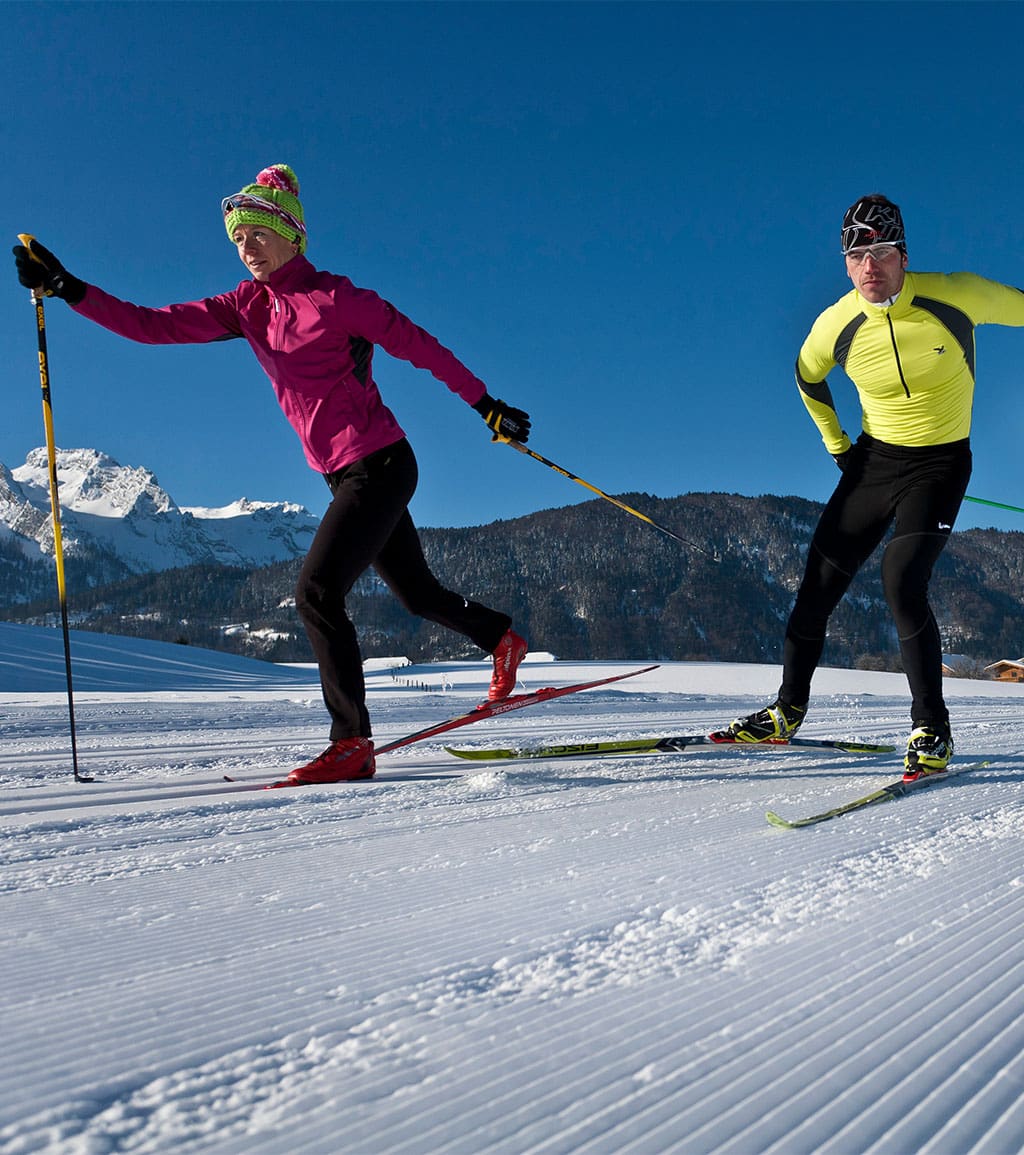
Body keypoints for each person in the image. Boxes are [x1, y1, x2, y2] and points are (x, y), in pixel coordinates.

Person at [14, 163, 531, 786]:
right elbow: (152, 326)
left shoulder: (339, 299)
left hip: (383, 464)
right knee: (417, 594)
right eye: (236, 238)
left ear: (290, 233)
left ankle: (351, 744)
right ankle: (501, 637)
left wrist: (485, 405)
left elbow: (420, 346)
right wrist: (70, 288)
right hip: (342, 477)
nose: (245, 247)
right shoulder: (244, 306)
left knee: (316, 592)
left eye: (256, 233)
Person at [714, 193, 1024, 781]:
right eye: (856, 255)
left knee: (902, 581)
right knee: (817, 586)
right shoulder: (835, 323)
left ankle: (932, 729)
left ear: (903, 256)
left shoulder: (955, 294)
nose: (869, 266)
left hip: (941, 462)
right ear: (846, 264)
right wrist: (838, 448)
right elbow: (807, 377)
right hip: (873, 463)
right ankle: (787, 712)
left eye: (880, 252)